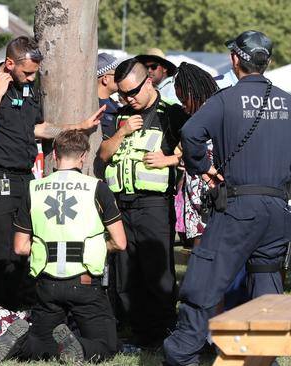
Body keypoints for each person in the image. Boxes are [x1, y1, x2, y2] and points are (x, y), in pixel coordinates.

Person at [163, 30, 291, 366]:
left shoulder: (224, 99)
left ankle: (181, 356)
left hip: (238, 208)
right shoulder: (289, 102)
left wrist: (205, 169)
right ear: (265, 62)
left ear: (235, 59)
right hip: (280, 211)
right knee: (268, 290)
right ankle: (262, 359)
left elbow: (192, 133)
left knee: (203, 281)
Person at [0, 36, 103, 309]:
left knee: (26, 249)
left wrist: (77, 127)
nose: (31, 78)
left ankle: (21, 310)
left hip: (26, 179)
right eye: (26, 72)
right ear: (8, 64)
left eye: (34, 73)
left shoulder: (27, 90)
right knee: (0, 252)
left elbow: (38, 129)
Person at [0, 130, 125, 362]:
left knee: (42, 343)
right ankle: (78, 349)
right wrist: (96, 248)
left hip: (47, 284)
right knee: (106, 345)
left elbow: (20, 247)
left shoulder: (34, 189)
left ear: (54, 154)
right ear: (83, 156)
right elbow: (120, 242)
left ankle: (22, 344)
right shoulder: (97, 188)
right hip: (85, 282)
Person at [99, 58, 187, 349]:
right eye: (123, 94)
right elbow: (103, 154)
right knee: (125, 272)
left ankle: (162, 331)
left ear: (149, 81)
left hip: (154, 205)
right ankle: (134, 331)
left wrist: (169, 159)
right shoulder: (119, 115)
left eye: (133, 92)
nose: (128, 98)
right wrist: (122, 132)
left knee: (157, 272)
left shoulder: (171, 115)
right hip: (121, 205)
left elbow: (195, 153)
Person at [173, 62, 219, 245]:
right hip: (196, 196)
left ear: (194, 92)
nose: (183, 106)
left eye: (184, 100)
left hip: (210, 196)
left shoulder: (214, 114)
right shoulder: (195, 116)